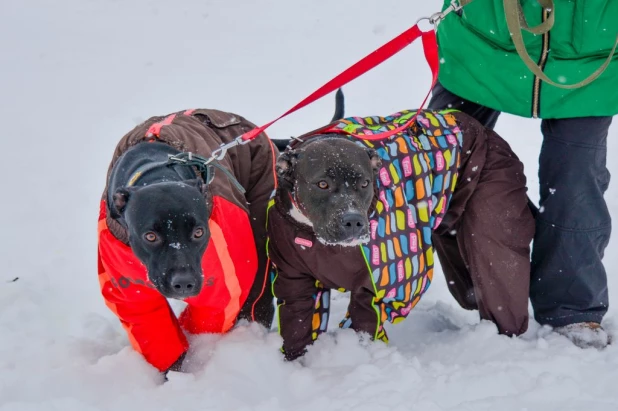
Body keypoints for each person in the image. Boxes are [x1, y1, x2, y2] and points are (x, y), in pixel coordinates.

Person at [427, 0, 618, 348]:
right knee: (435, 170)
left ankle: (571, 308)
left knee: (575, 184)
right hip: (482, 43)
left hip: (591, 59)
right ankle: (483, 283)